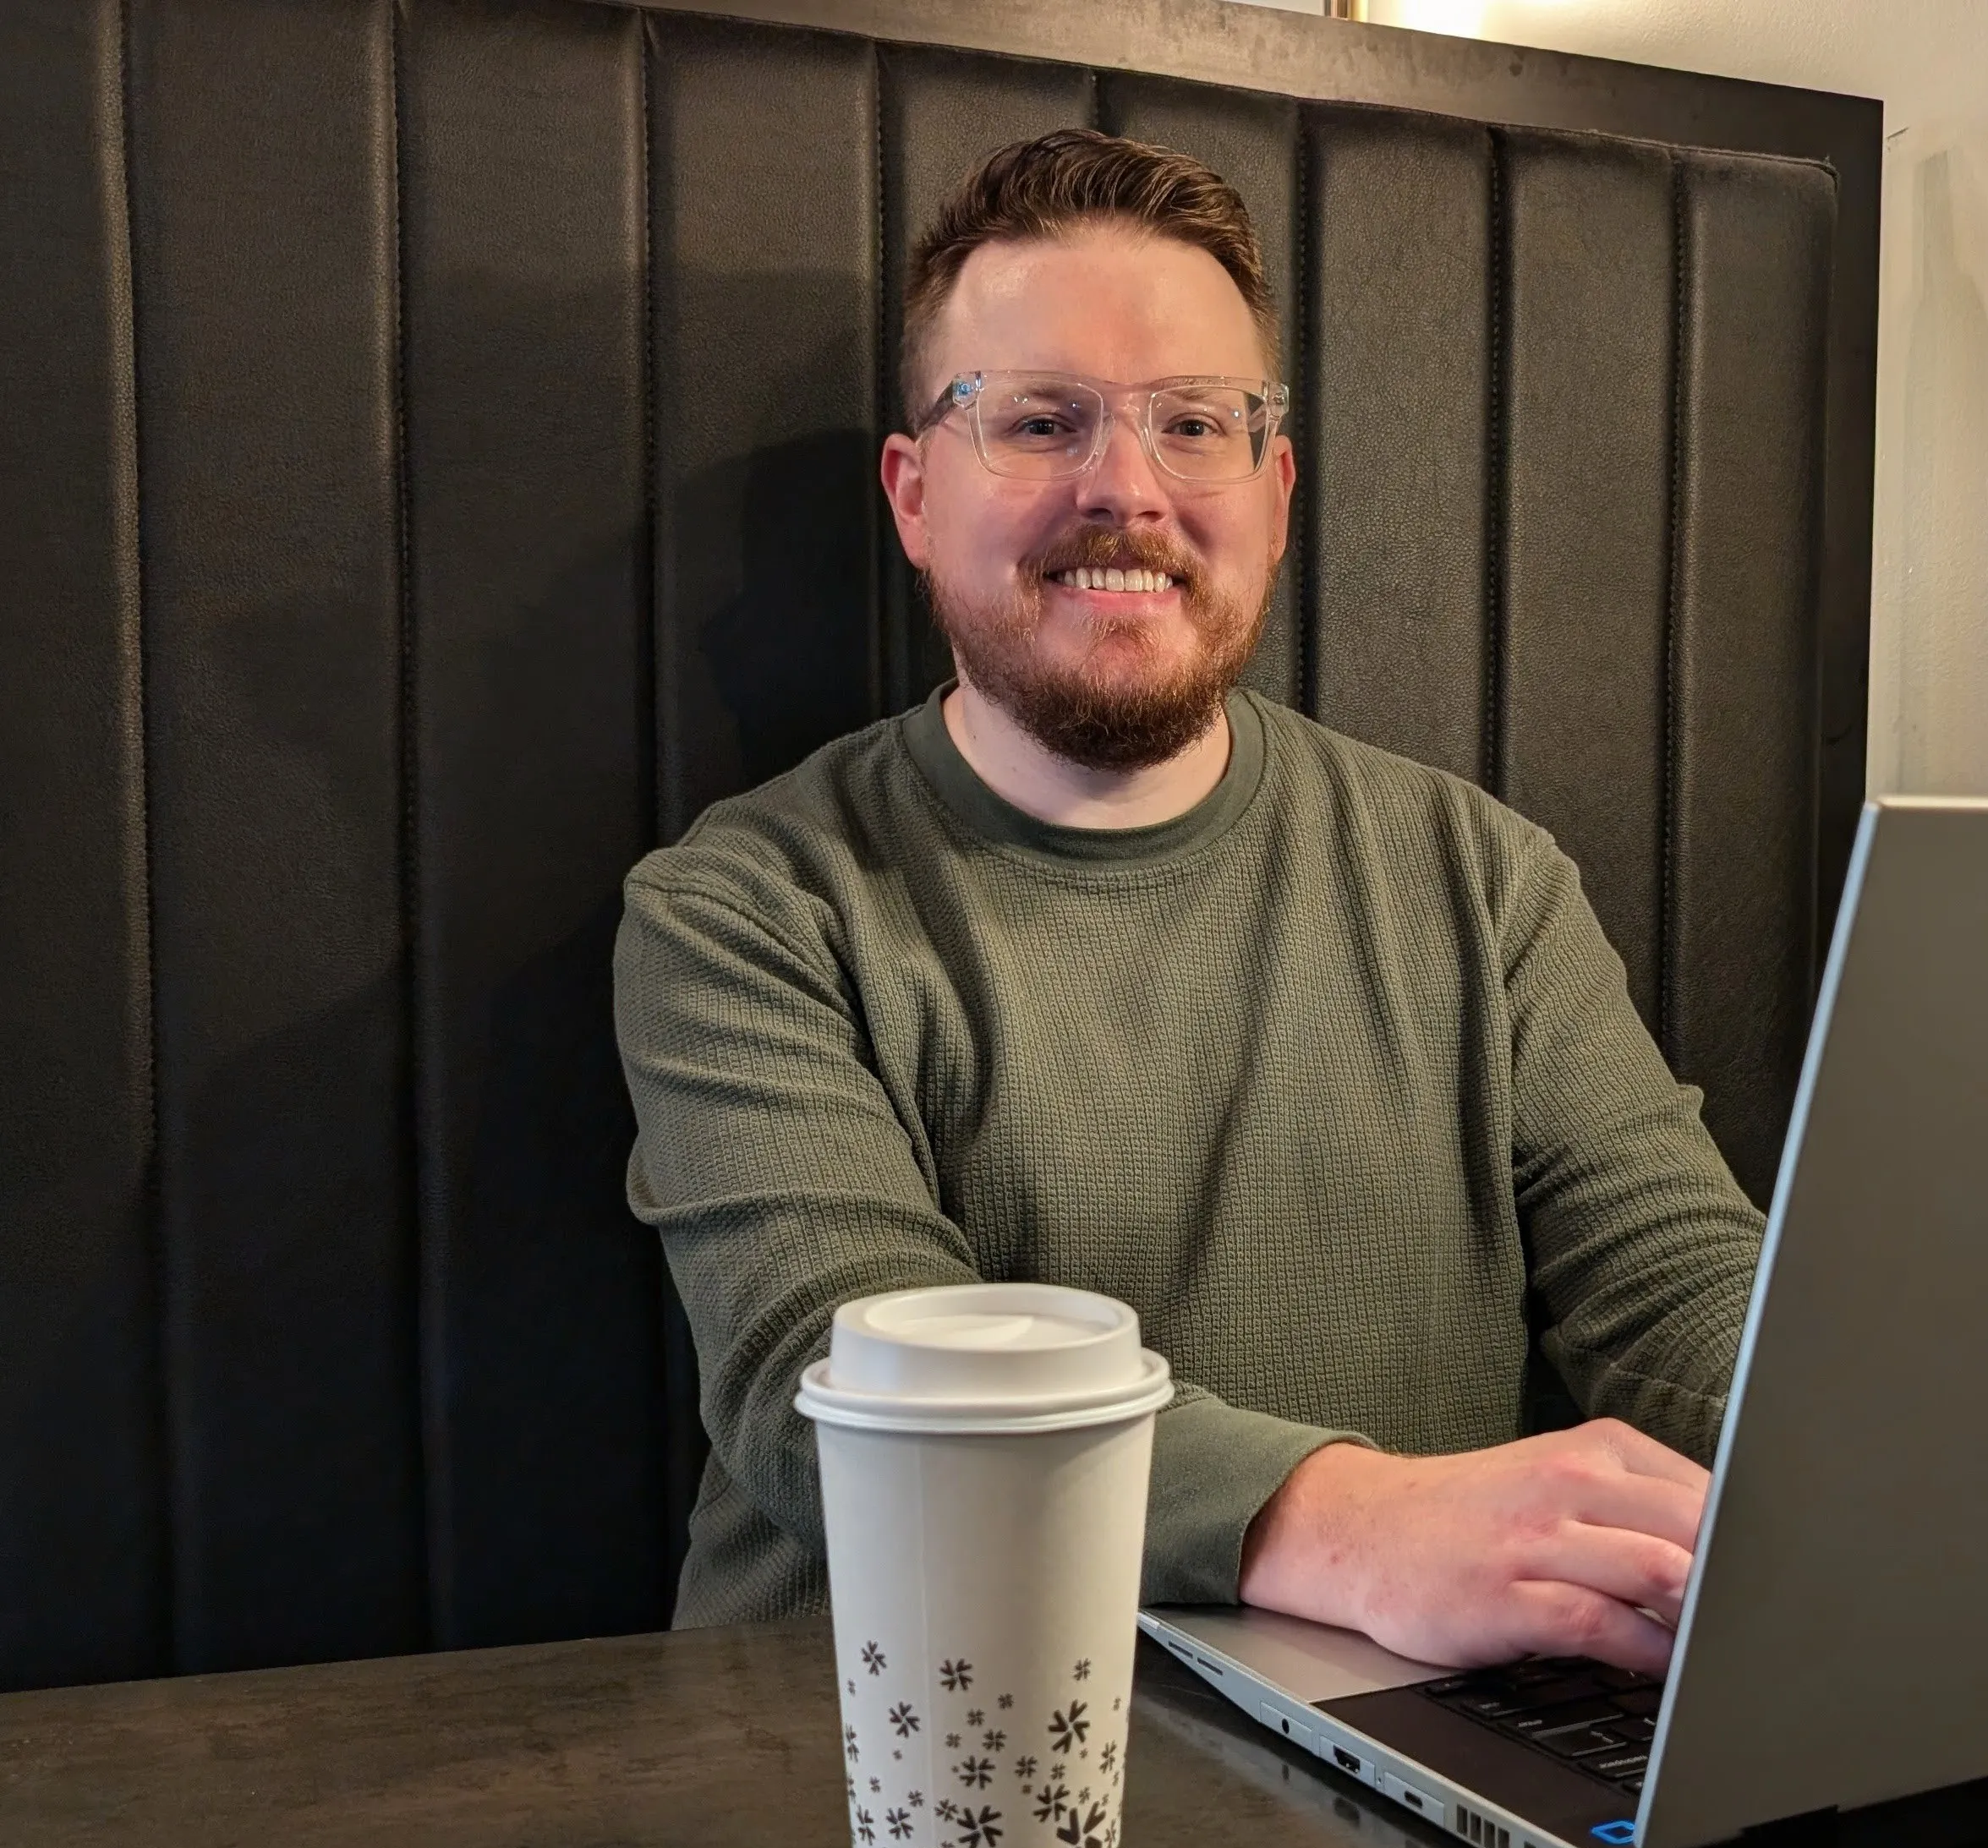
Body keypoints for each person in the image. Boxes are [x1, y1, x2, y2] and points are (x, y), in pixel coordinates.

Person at [615, 130, 1763, 1676]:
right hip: (891, 1786)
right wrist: (1355, 1524)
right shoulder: (747, 909)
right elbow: (848, 1381)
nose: (1127, 492)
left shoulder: (1480, 881)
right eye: (1040, 421)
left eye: (1194, 424)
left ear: (1274, 491)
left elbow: (1686, 1298)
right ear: (912, 491)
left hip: (1395, 1775)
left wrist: (1911, 1442)